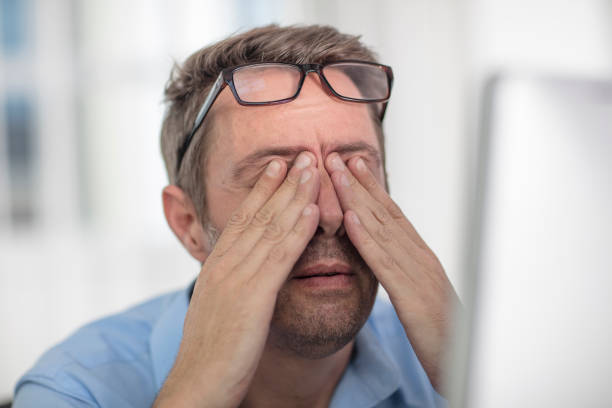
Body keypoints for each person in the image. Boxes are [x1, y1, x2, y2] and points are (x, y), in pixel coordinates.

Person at [14, 24, 459, 407]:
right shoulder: (73, 388)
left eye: (353, 171)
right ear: (187, 224)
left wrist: (477, 378)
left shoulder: (451, 363)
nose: (328, 214)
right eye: (278, 177)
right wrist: (197, 393)